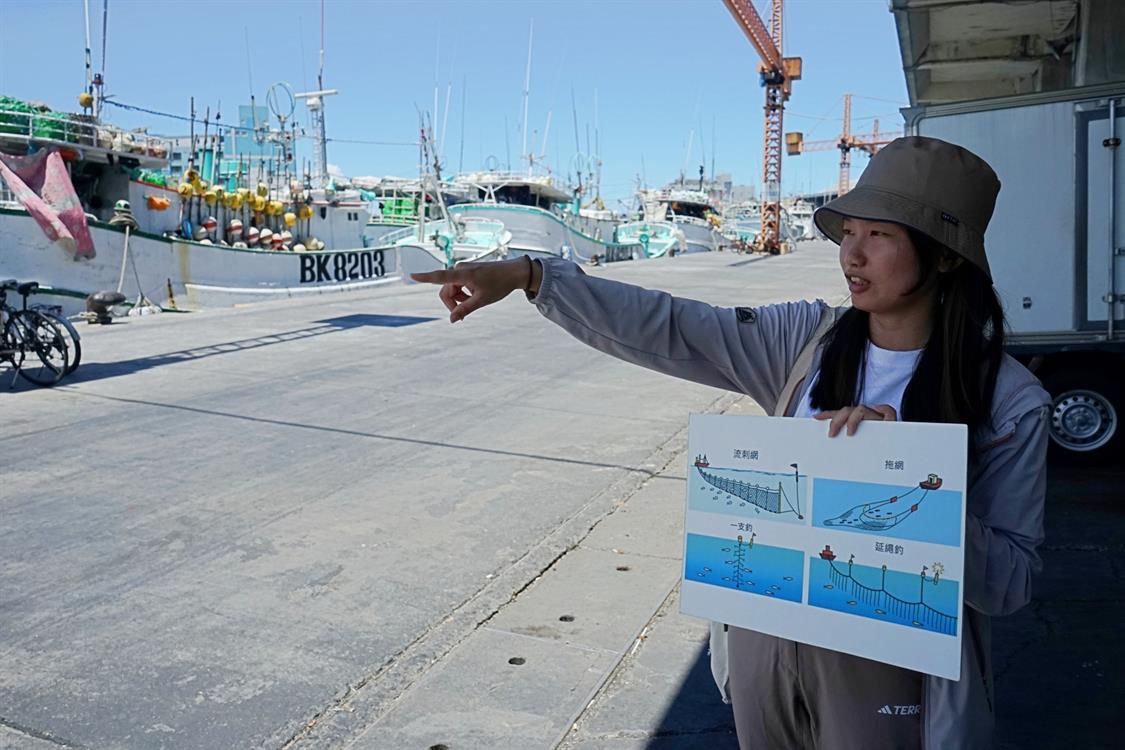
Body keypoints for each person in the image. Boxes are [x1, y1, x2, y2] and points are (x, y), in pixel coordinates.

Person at [412, 136, 1050, 749]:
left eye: (879, 234)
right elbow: (673, 326)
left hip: (892, 672)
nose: (850, 255)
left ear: (944, 254)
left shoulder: (1008, 401)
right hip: (765, 645)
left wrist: (915, 491)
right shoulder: (807, 341)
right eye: (848, 232)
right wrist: (533, 276)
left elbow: (1012, 582)